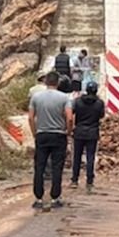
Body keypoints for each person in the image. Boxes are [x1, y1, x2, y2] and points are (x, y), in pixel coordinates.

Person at [28, 71, 73, 210]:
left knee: (39, 167)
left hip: (42, 134)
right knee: (57, 167)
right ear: (58, 82)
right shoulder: (64, 98)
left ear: (46, 82)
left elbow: (30, 117)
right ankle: (55, 197)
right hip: (58, 135)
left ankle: (38, 198)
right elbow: (70, 118)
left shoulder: (36, 97)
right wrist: (68, 132)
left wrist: (35, 133)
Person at [71, 81, 105, 190]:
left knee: (77, 156)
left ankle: (75, 180)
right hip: (92, 133)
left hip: (79, 132)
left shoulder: (78, 102)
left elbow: (71, 113)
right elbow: (101, 115)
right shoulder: (99, 103)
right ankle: (89, 181)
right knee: (90, 157)